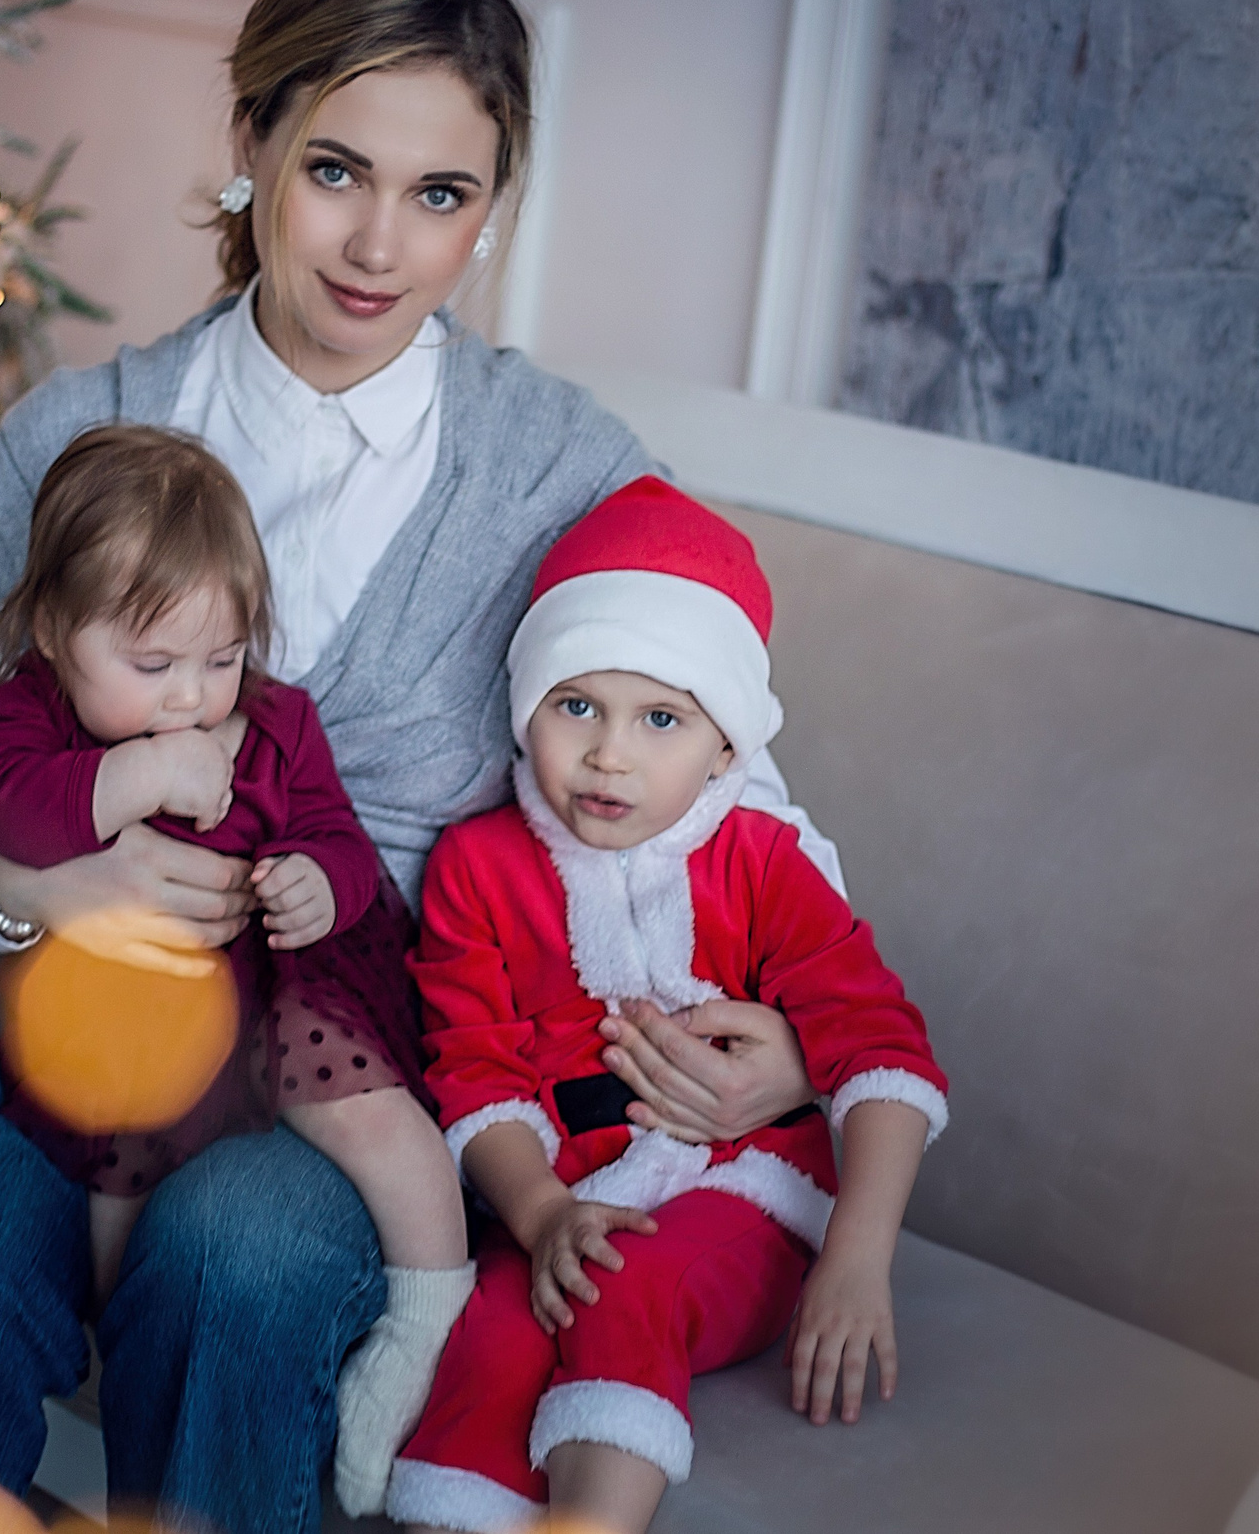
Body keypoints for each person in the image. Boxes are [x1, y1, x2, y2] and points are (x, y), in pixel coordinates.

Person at [0, 0, 845, 1534]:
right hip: (58, 974)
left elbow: (724, 783)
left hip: (355, 1020)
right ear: (247, 150)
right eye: (334, 170)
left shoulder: (561, 473)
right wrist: (39, 892)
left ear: (492, 207)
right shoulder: (77, 440)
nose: (380, 243)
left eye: (442, 195)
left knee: (243, 1252)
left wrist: (799, 1037)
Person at [388, 477, 949, 1534]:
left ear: (726, 746)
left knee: (624, 1283)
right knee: (498, 1326)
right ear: (526, 707)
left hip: (753, 1192)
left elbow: (883, 1054)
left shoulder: (764, 861)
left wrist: (856, 1256)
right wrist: (543, 1211)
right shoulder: (477, 865)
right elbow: (474, 1068)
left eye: (660, 717)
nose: (610, 753)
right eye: (575, 705)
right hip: (570, 1197)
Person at [0, 423, 472, 1507]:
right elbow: (8, 808)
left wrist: (315, 881)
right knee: (111, 1160)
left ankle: (432, 1307)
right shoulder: (24, 719)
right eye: (152, 666)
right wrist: (139, 771)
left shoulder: (276, 723)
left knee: (360, 1104)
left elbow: (337, 835)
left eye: (222, 657)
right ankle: (108, 1346)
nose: (193, 695)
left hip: (286, 973)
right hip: (133, 1003)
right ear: (54, 629)